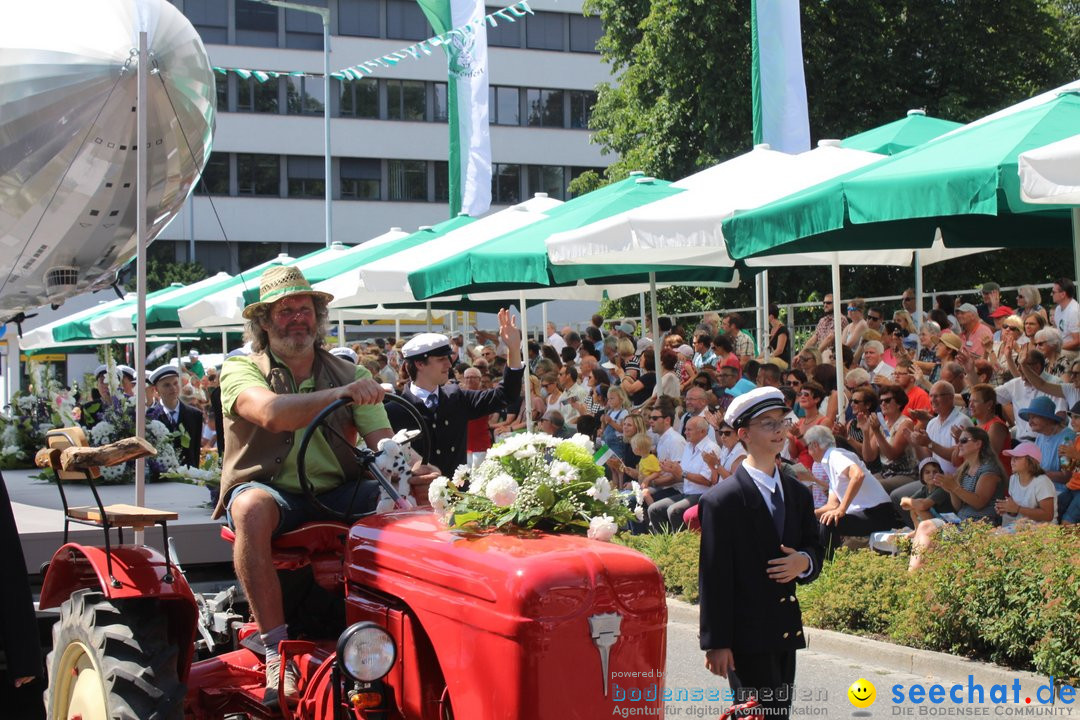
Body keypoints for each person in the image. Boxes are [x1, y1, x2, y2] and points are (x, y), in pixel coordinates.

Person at [216, 266, 427, 702]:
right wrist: (339, 396)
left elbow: (384, 444)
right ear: (263, 323)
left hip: (335, 492)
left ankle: (411, 624)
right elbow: (272, 413)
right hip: (270, 488)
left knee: (415, 495)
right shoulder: (240, 368)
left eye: (305, 309)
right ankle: (275, 647)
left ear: (318, 317)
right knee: (251, 508)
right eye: (286, 310)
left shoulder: (346, 372)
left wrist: (424, 473)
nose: (298, 318)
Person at [698, 387, 823, 719]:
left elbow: (814, 546)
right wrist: (717, 641)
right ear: (743, 434)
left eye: (781, 421)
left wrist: (804, 562)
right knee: (755, 716)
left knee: (778, 715)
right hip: (745, 637)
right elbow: (714, 576)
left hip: (784, 631)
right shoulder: (722, 501)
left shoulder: (797, 493)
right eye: (767, 424)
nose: (779, 431)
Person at [394, 315, 523, 477]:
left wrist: (513, 349)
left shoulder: (456, 397)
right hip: (416, 499)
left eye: (448, 358)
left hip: (458, 497)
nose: (448, 364)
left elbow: (505, 395)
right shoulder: (396, 408)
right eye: (441, 359)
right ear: (419, 364)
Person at [908, 427, 1005, 571]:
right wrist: (950, 489)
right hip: (961, 522)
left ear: (978, 444)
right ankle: (912, 577)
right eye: (959, 441)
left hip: (980, 525)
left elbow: (979, 503)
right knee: (925, 526)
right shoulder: (964, 469)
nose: (958, 444)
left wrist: (954, 487)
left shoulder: (989, 471)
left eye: (964, 441)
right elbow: (958, 507)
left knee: (928, 533)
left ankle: (916, 579)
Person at [804, 425, 898, 558]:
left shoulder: (835, 455)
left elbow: (858, 475)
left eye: (807, 447)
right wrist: (807, 515)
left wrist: (842, 509)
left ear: (814, 445)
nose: (808, 452)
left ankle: (828, 566)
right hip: (868, 513)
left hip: (878, 513)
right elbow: (832, 505)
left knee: (829, 522)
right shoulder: (830, 461)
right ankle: (823, 562)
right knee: (821, 521)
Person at [654, 417, 721, 531]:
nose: (685, 432)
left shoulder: (711, 448)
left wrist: (681, 472)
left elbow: (708, 481)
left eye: (689, 430)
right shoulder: (688, 447)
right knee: (654, 509)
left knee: (674, 511)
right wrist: (672, 470)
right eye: (685, 429)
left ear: (703, 432)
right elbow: (682, 477)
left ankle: (683, 546)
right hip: (687, 493)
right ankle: (666, 544)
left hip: (702, 495)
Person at [863, 385, 918, 494]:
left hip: (905, 474)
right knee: (859, 482)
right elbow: (869, 457)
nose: (883, 404)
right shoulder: (883, 423)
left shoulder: (906, 423)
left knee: (874, 486)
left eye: (887, 400)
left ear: (899, 403)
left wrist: (877, 432)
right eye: (881, 401)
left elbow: (892, 455)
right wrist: (865, 431)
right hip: (886, 473)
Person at [147, 365, 203, 470]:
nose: (173, 388)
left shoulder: (195, 415)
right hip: (160, 477)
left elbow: (195, 451)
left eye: (175, 383)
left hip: (188, 476)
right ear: (156, 389)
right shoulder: (149, 417)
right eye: (166, 385)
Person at [994, 442, 1057, 529]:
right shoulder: (1014, 478)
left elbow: (1048, 515)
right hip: (1022, 528)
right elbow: (1014, 511)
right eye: (1012, 457)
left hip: (1043, 531)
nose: (1012, 460)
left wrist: (1018, 509)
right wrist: (1007, 509)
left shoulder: (1042, 482)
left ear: (1031, 461)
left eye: (1017, 457)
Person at [1050, 277, 1080, 353]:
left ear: (1063, 294)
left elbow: (1077, 341)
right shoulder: (1058, 309)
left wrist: (1055, 349)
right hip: (1062, 348)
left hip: (1074, 351)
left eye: (1053, 292)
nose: (1051, 294)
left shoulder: (1073, 311)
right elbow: (1059, 333)